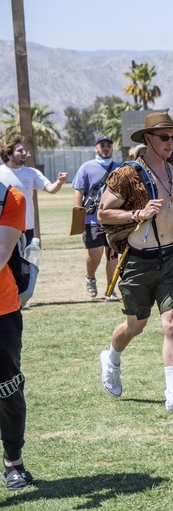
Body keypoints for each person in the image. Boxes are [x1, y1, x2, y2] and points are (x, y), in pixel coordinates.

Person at [97, 112, 173, 414]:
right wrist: (136, 214)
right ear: (148, 140)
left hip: (170, 257)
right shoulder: (128, 174)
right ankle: (112, 358)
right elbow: (104, 212)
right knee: (135, 326)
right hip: (138, 261)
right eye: (164, 137)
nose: (171, 142)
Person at [0, 182, 34, 489]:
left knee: (7, 388)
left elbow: (1, 253)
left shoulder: (10, 197)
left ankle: (13, 461)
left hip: (2, 308)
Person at [72, 135, 120, 300]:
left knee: (113, 254)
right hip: (92, 219)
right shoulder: (86, 167)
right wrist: (78, 215)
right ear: (96, 148)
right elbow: (78, 191)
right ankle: (90, 278)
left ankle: (110, 289)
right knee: (95, 254)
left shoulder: (119, 168)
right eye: (102, 145)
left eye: (108, 145)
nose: (106, 148)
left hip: (114, 219)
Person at [0, 136, 67, 245]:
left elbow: (51, 189)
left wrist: (59, 181)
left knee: (26, 261)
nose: (24, 152)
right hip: (3, 228)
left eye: (24, 150)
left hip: (26, 228)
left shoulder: (32, 173)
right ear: (8, 154)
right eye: (20, 151)